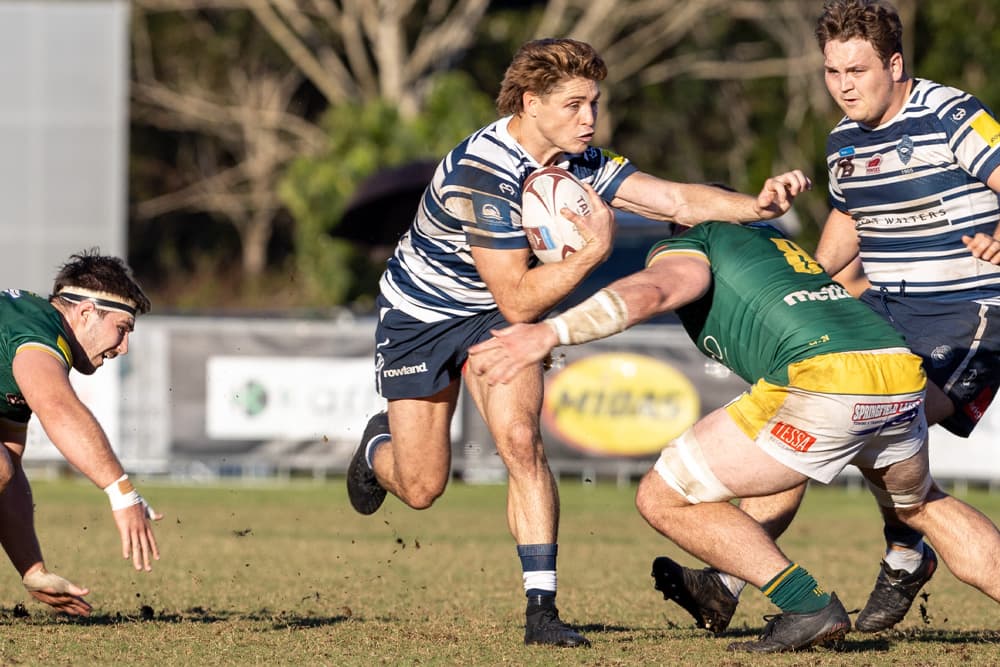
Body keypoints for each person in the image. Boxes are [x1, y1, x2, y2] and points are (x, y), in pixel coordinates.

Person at [345, 37, 811, 648]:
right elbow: (518, 297)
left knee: (520, 442)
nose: (589, 119)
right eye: (574, 105)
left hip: (492, 317)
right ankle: (377, 447)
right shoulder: (482, 172)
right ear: (531, 103)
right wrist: (592, 251)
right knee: (422, 486)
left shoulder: (577, 156)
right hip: (422, 314)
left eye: (594, 103)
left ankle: (541, 610)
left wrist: (754, 204)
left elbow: (670, 197)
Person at [468, 221, 1000, 653]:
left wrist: (550, 331)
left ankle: (807, 605)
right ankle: (722, 588)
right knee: (921, 504)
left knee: (664, 496)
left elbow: (654, 290)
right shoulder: (776, 245)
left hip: (826, 380)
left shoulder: (697, 244)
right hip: (898, 374)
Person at [650, 0, 1000, 636]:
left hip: (964, 316)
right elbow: (848, 220)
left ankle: (901, 555)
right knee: (815, 417)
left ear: (895, 65)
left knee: (878, 430)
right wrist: (797, 288)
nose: (843, 85)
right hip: (879, 311)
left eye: (857, 70)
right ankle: (735, 579)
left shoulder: (951, 114)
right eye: (832, 71)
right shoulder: (843, 140)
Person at [0, 250, 162, 617]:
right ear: (87, 312)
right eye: (122, 329)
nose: (123, 347)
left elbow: (9, 464)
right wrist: (121, 491)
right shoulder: (38, 331)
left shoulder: (25, 328)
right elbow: (58, 408)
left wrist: (33, 570)